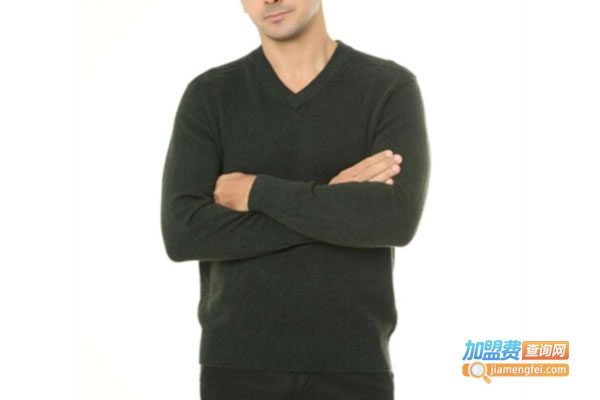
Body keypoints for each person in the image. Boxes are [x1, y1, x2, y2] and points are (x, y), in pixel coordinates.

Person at [160, 0, 430, 398]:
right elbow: (185, 233)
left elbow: (395, 220)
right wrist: (333, 203)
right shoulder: (210, 95)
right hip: (237, 366)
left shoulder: (388, 87)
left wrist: (258, 192)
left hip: (354, 365)